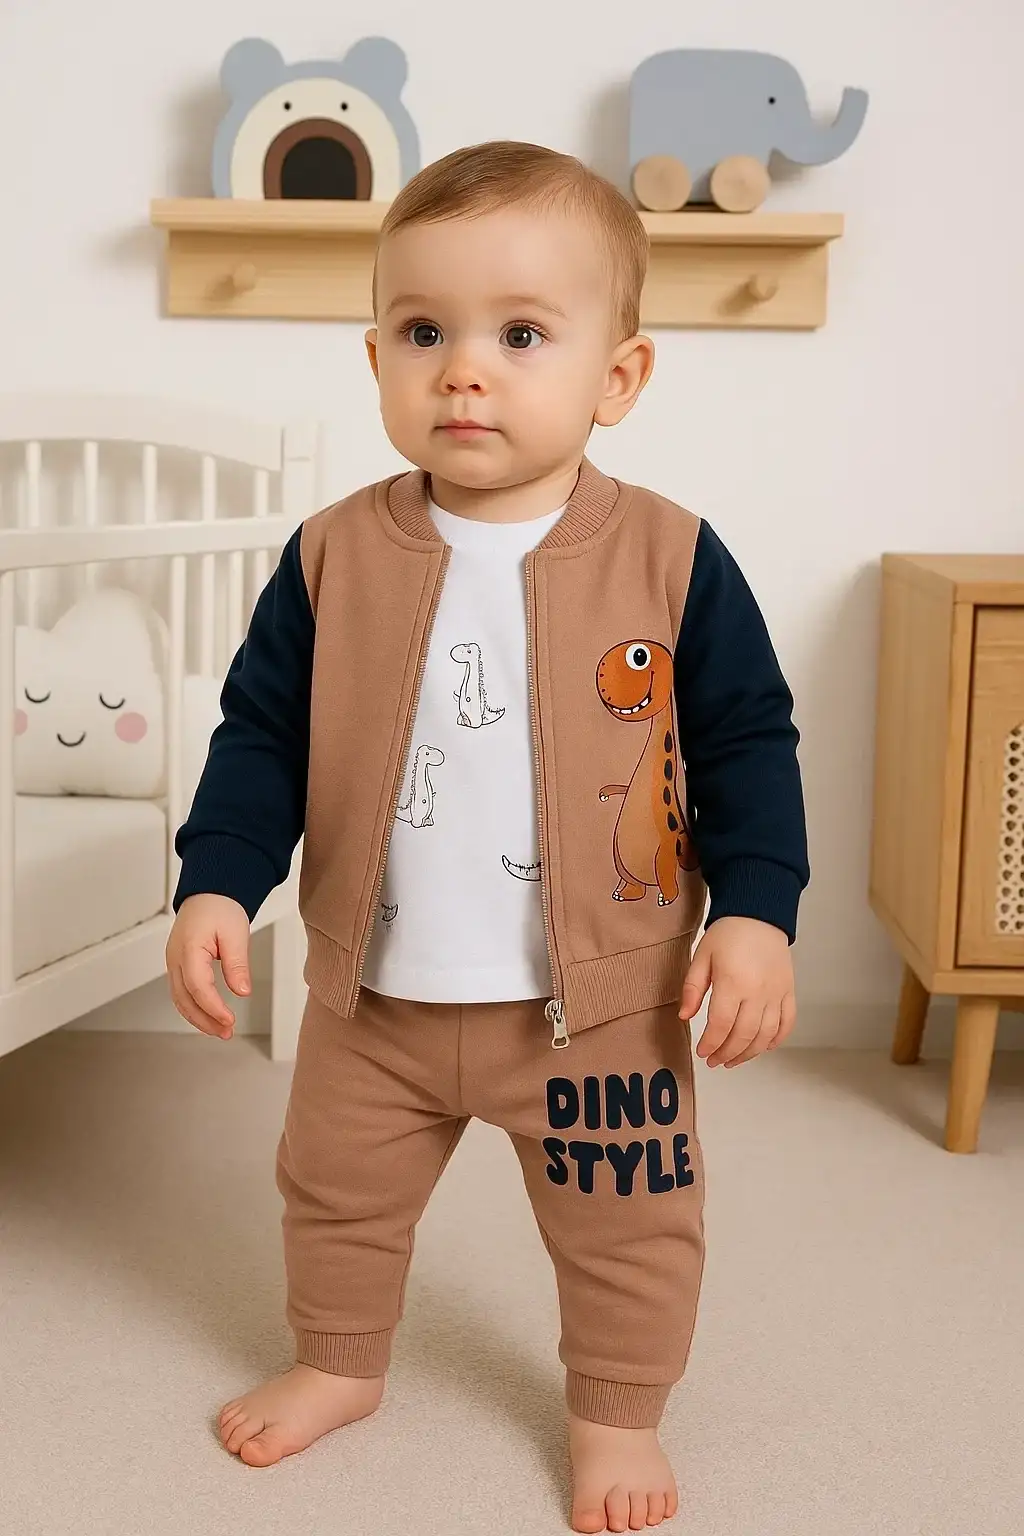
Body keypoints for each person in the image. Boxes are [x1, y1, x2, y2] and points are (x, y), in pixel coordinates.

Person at [166, 139, 809, 1534]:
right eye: (423, 332)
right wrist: (216, 881)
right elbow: (262, 734)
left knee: (629, 1226)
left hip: (600, 1009)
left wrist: (757, 910)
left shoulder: (672, 558)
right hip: (375, 1001)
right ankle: (340, 1362)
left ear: (617, 377)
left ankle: (616, 1412)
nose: (465, 370)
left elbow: (749, 743)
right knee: (332, 1194)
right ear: (377, 356)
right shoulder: (333, 555)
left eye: (520, 336)